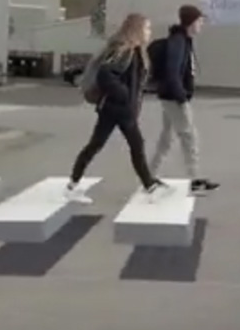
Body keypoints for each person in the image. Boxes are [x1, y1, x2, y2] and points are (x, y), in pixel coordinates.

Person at [65, 13, 173, 204]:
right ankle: (150, 187)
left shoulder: (134, 50)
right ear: (136, 29)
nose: (149, 32)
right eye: (146, 28)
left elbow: (131, 79)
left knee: (97, 145)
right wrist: (124, 95)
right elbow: (106, 75)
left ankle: (72, 185)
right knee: (136, 145)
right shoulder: (125, 50)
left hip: (115, 108)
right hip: (119, 109)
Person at [149, 4, 220, 195]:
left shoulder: (183, 40)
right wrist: (182, 97)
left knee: (167, 138)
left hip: (170, 96)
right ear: (191, 22)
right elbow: (173, 72)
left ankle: (150, 175)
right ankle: (195, 180)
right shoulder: (178, 42)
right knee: (189, 137)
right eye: (199, 21)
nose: (201, 25)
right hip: (174, 98)